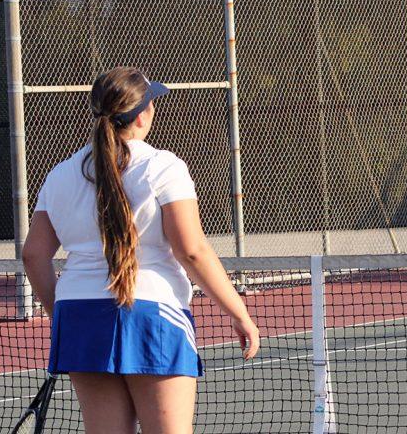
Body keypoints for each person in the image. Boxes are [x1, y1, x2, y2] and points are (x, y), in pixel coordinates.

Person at [22, 66, 259, 434]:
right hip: (152, 312)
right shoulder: (164, 167)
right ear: (144, 113)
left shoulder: (60, 175)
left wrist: (62, 314)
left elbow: (33, 255)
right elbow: (191, 250)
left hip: (80, 316)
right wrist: (239, 313)